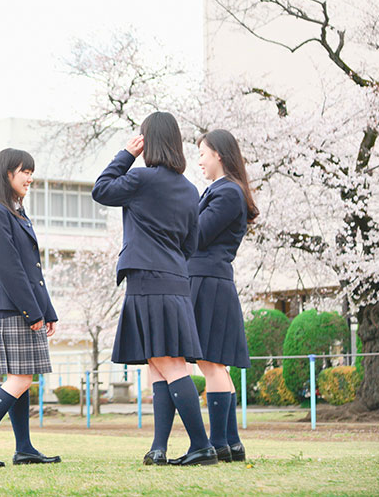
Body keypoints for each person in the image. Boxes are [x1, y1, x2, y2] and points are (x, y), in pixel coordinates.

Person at [92, 111, 216, 467]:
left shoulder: (140, 179)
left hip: (147, 280)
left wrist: (126, 154)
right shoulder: (190, 190)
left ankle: (201, 446)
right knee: (157, 364)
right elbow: (191, 243)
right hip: (176, 280)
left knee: (168, 363)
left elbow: (101, 190)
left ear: (148, 142)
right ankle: (158, 448)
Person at [0, 148, 61, 468]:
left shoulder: (16, 213)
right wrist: (32, 312)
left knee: (22, 378)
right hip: (11, 310)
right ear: (7, 174)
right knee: (19, 380)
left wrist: (48, 311)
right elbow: (9, 270)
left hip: (23, 308)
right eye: (25, 172)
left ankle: (24, 449)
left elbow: (33, 270)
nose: (30, 178)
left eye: (31, 172)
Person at [186, 129, 259, 463]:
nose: (199, 161)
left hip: (208, 280)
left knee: (211, 362)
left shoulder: (227, 192)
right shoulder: (225, 190)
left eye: (202, 153)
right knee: (215, 363)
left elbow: (198, 234)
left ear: (218, 154)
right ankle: (231, 442)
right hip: (212, 280)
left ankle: (218, 442)